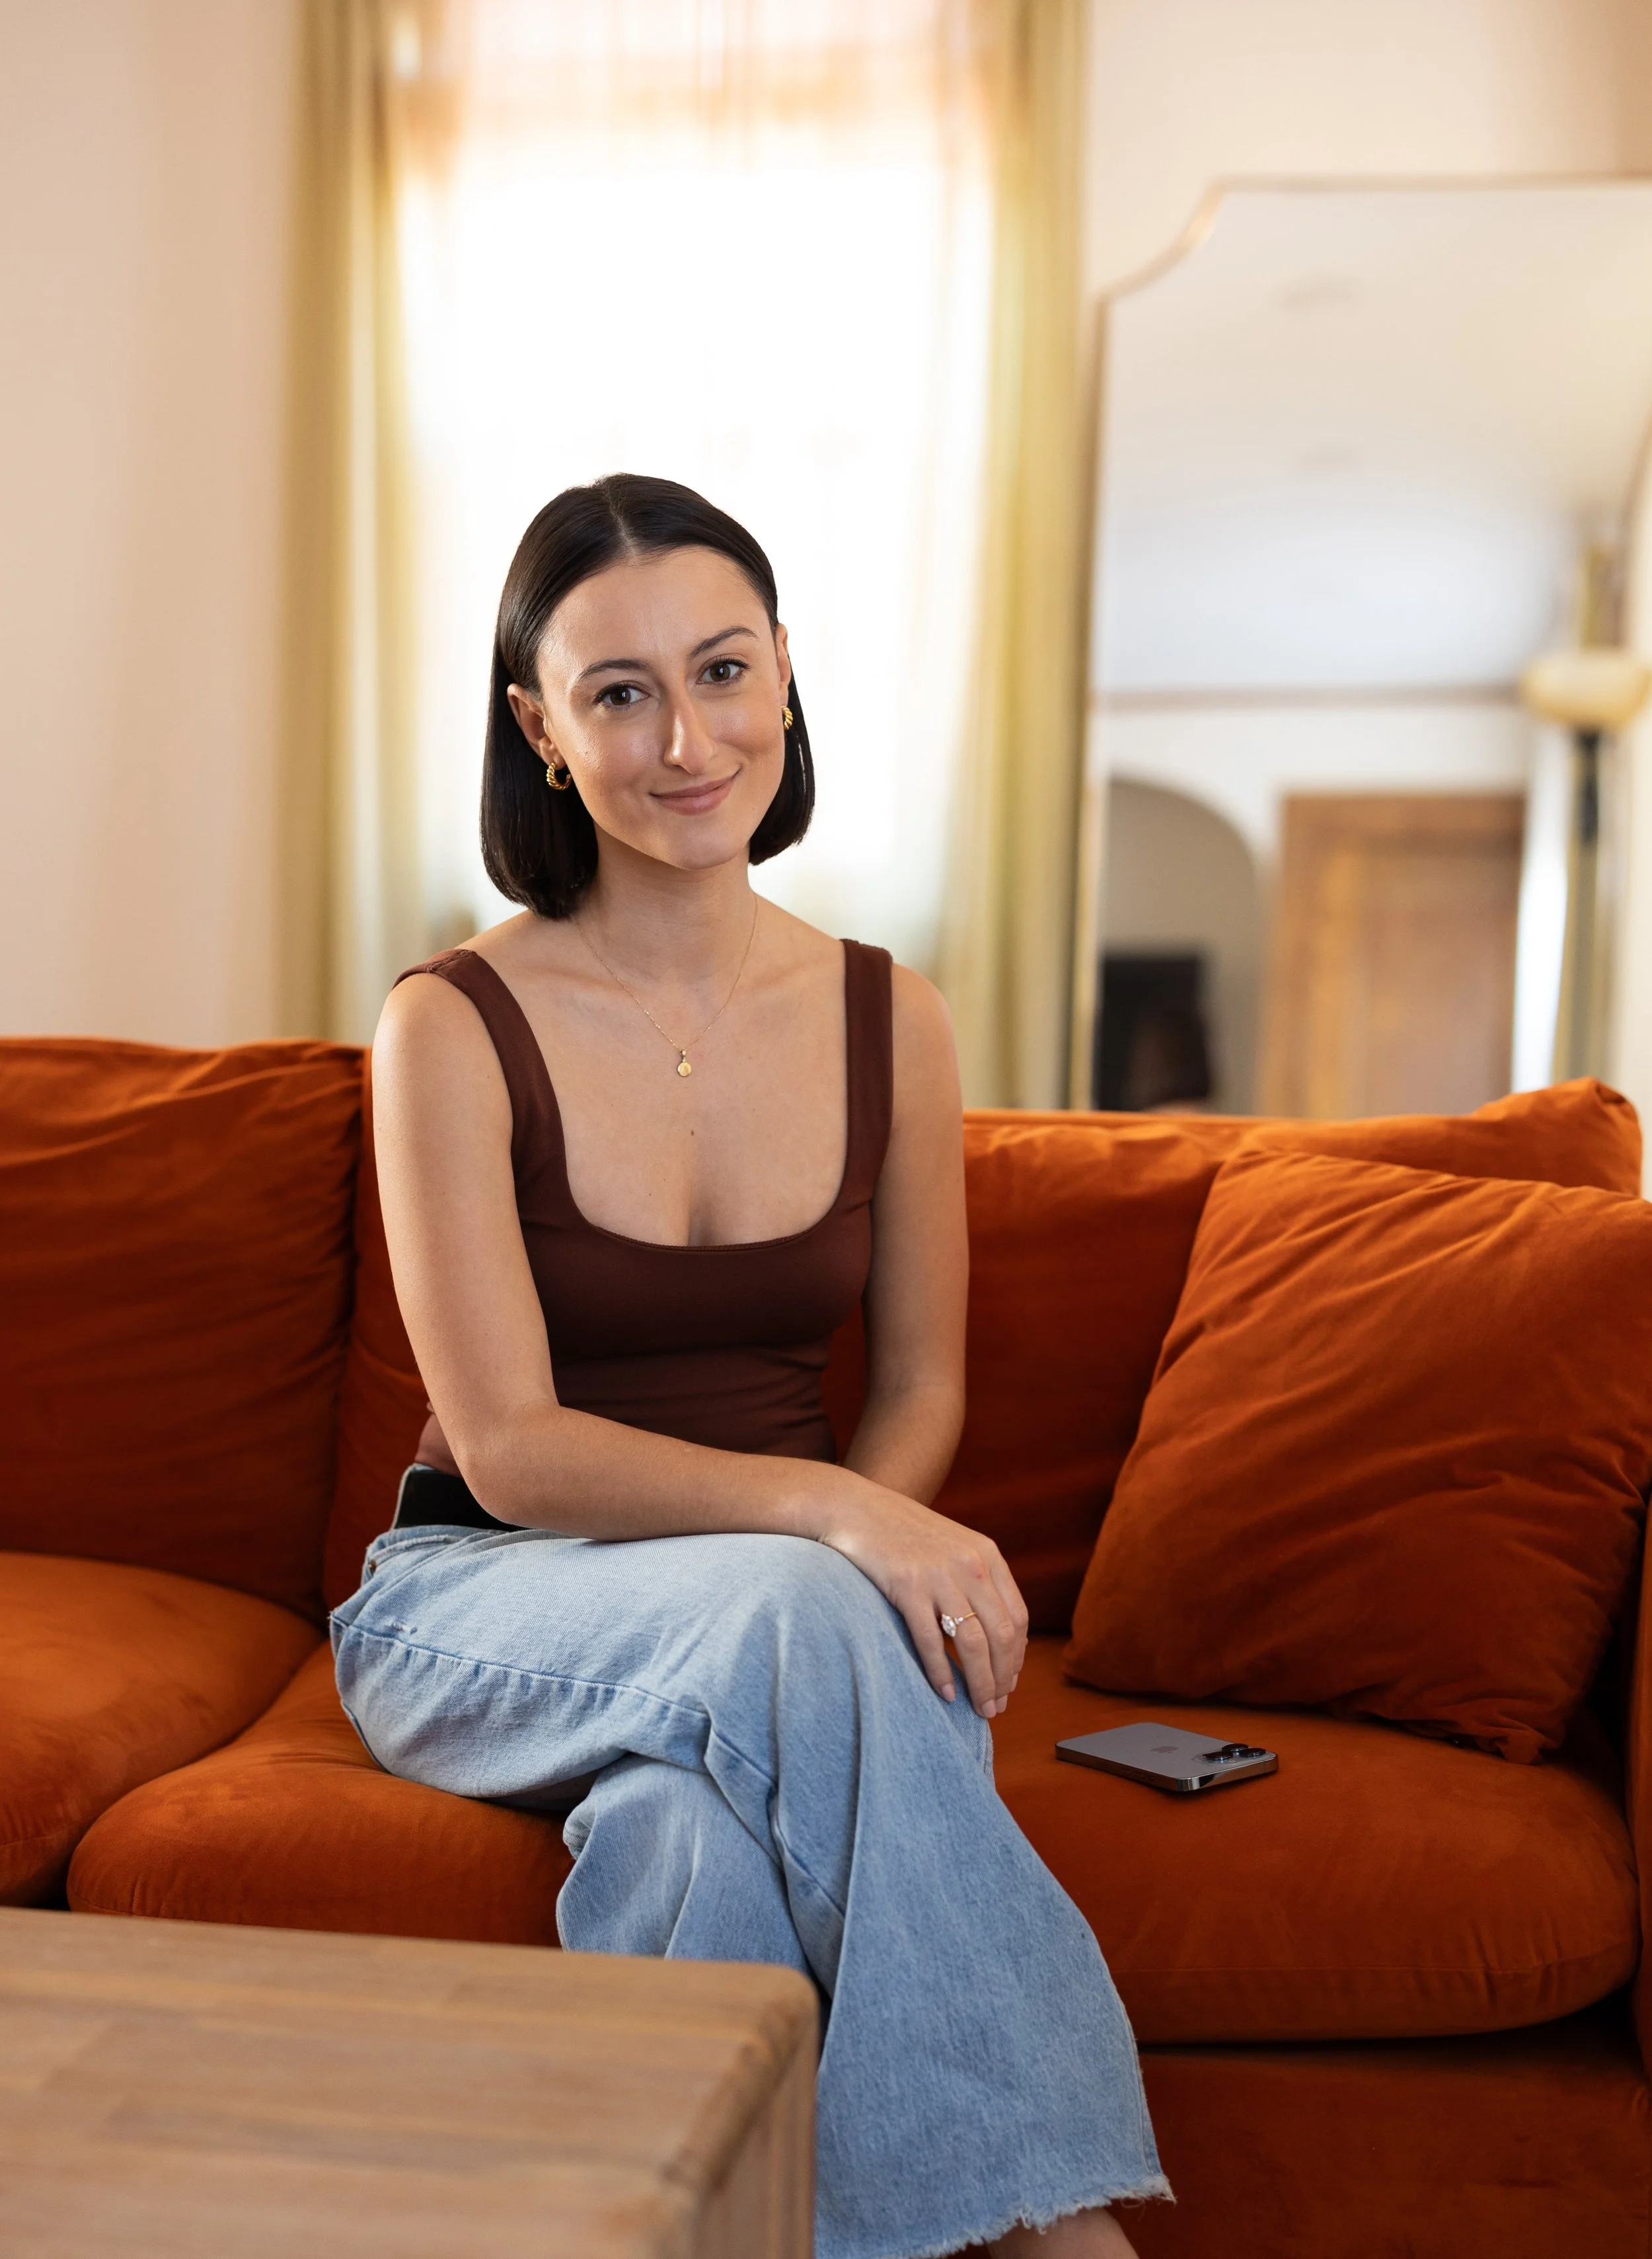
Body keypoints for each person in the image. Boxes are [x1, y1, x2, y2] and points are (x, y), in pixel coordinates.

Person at [330, 475, 1168, 2259]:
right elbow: (514, 1447)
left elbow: (921, 1387)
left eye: (720, 670)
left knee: (685, 1856)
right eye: (616, 692)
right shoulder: (448, 1026)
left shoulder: (891, 1016)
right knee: (794, 1619)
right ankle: (1064, 2235)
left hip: (768, 1644)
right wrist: (835, 1534)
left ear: (785, 673)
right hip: (481, 1604)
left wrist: (854, 1532)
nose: (684, 738)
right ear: (538, 732)